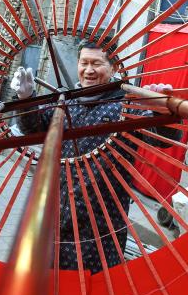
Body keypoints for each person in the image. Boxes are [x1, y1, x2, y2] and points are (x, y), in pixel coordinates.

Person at [11, 40, 178, 273]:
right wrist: (25, 99)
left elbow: (162, 139)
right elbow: (33, 128)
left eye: (96, 64)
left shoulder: (126, 106)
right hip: (55, 214)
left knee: (92, 288)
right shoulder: (66, 100)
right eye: (84, 63)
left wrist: (163, 114)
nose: (88, 70)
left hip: (100, 225)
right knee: (48, 283)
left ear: (113, 67)